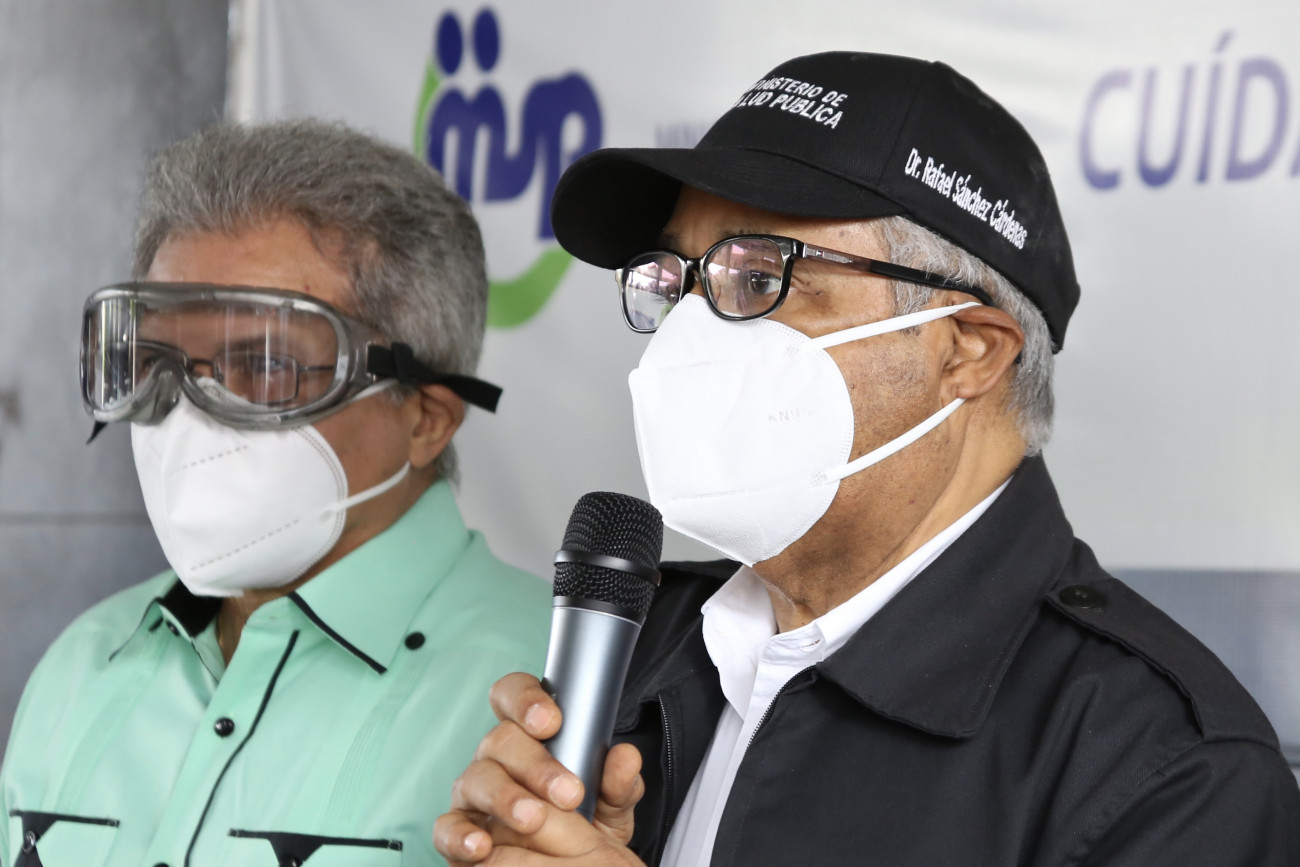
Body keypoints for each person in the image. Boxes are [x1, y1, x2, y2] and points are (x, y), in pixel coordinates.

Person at [433, 51, 1300, 866]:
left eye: (758, 275)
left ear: (969, 350)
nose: (687, 336)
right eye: (678, 279)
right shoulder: (645, 640)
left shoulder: (1167, 770)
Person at [0, 120, 551, 867]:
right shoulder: (83, 665)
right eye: (157, 361)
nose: (188, 413)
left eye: (264, 365)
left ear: (426, 417)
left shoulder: (538, 692)